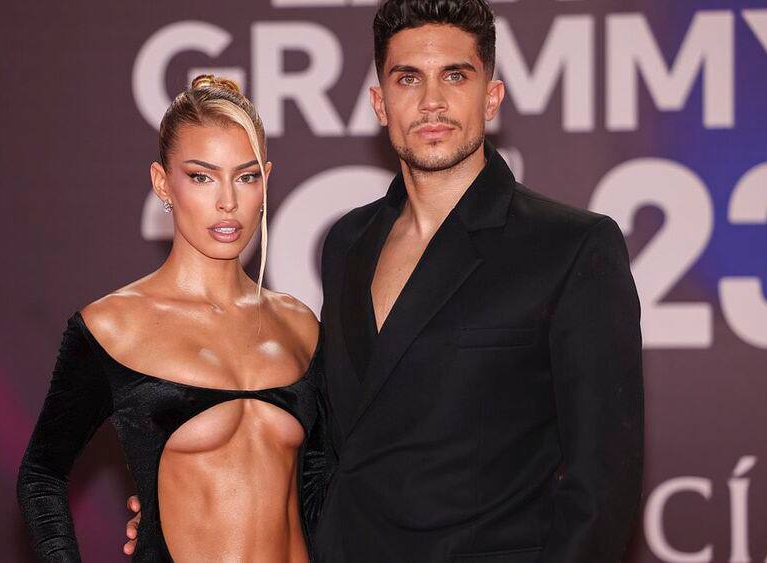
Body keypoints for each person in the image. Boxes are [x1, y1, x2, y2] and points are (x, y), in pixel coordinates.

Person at [125, 1, 644, 561]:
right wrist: (196, 496)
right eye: (408, 79)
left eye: (455, 76)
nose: (431, 102)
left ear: (492, 96)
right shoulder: (347, 243)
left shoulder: (570, 247)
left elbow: (603, 485)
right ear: (379, 103)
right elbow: (328, 448)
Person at [16, 74, 328, 562]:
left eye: (246, 176)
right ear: (163, 182)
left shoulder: (300, 326)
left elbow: (324, 482)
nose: (228, 201)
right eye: (202, 176)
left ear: (266, 180)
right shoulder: (112, 327)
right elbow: (41, 475)